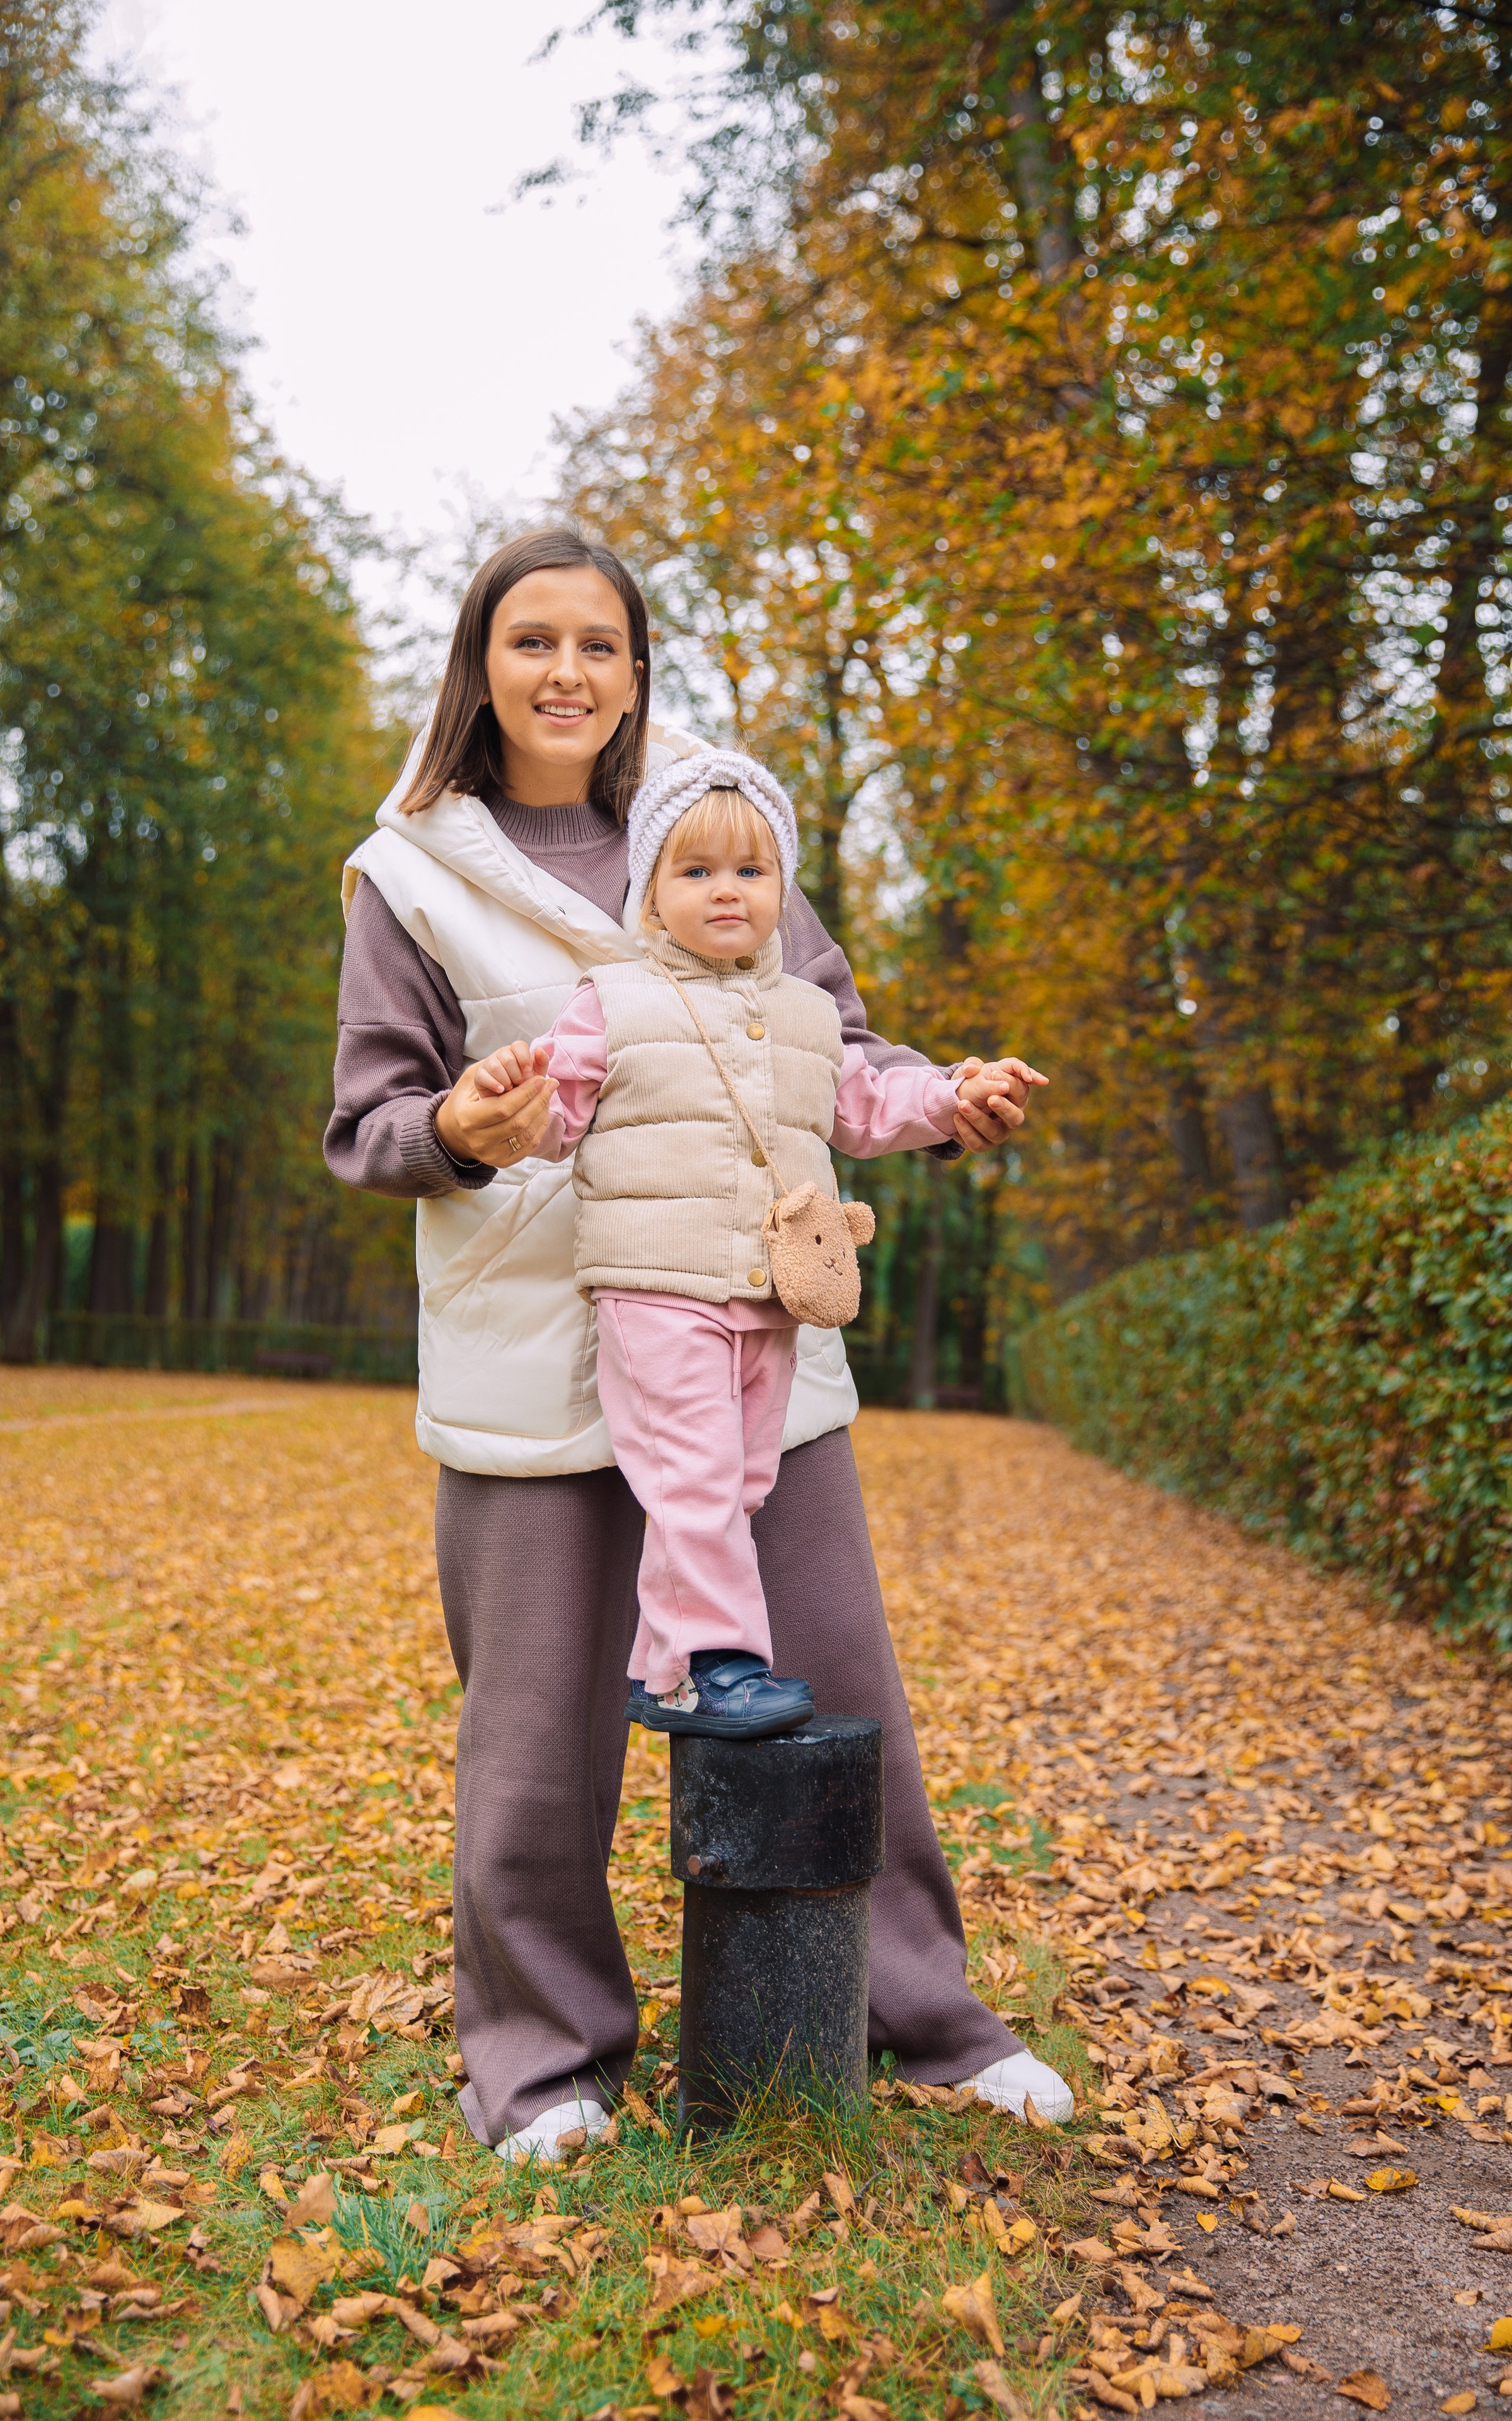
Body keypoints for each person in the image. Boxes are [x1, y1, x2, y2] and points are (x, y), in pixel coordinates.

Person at [324, 525, 1075, 2163]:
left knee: (836, 1687)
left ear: (639, 668)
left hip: (756, 1340)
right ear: (483, 666)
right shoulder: (414, 875)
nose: (570, 672)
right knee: (536, 1743)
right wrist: (460, 1120)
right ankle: (542, 2064)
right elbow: (367, 1122)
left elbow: (841, 1046)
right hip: (532, 1348)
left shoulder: (723, 824)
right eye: (535, 641)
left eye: (602, 643)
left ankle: (922, 2016)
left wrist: (951, 1106)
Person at [468, 746, 1046, 1742]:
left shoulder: (811, 1015)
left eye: (750, 870)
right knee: (689, 1475)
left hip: (772, 1293)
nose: (725, 892)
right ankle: (722, 1664)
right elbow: (557, 1113)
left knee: (739, 1482)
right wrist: (509, 1098)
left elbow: (868, 1105)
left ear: (783, 886)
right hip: (656, 1287)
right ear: (651, 894)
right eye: (695, 873)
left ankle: (663, 1667)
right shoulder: (613, 1001)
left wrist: (955, 1094)